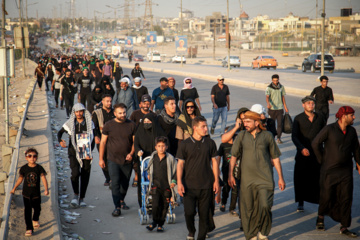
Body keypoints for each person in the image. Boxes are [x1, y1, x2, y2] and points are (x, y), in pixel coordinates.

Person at [228, 110, 286, 240]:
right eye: (244, 122)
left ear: (256, 122)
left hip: (265, 179)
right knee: (248, 209)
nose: (245, 124)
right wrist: (230, 175)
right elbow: (233, 156)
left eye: (248, 122)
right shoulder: (241, 136)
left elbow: (275, 158)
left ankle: (263, 232)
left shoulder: (267, 136)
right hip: (247, 180)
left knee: (265, 205)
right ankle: (251, 235)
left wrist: (281, 177)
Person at [312, 106, 360, 237]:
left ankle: (344, 226)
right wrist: (322, 159)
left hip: (345, 171)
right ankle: (321, 217)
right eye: (352, 115)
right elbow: (315, 143)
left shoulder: (352, 131)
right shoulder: (329, 129)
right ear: (344, 116)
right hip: (329, 171)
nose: (354, 117)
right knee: (326, 196)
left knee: (346, 198)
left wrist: (359, 163)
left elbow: (356, 149)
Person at [176, 116, 220, 240]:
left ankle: (201, 237)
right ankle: (191, 230)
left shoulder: (210, 143)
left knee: (204, 215)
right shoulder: (185, 144)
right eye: (203, 126)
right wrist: (179, 182)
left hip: (206, 185)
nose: (206, 129)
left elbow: (215, 162)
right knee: (189, 213)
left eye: (206, 126)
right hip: (188, 186)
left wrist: (216, 181)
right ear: (195, 128)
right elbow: (180, 164)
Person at [99, 103, 136, 216]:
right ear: (115, 113)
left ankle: (121, 199)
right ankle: (117, 207)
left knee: (124, 184)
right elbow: (103, 142)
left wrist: (131, 153)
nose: (123, 115)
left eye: (124, 112)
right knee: (115, 183)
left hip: (127, 160)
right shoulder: (109, 125)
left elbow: (135, 142)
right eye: (120, 113)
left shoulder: (131, 125)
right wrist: (101, 159)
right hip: (112, 159)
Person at [292, 96, 326, 212]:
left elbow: (325, 134)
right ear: (303, 105)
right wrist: (301, 148)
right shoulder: (298, 119)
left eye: (312, 103)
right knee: (301, 178)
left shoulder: (320, 117)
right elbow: (294, 136)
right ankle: (300, 202)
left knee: (319, 178)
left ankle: (320, 202)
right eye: (308, 103)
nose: (311, 105)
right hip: (303, 153)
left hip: (317, 153)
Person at [58, 103, 95, 208]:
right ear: (74, 112)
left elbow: (92, 140)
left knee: (85, 175)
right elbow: (59, 133)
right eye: (77, 111)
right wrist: (60, 141)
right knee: (75, 173)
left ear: (84, 112)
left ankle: (82, 198)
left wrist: (90, 152)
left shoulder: (89, 124)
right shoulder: (70, 123)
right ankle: (75, 195)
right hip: (73, 152)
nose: (79, 113)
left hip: (86, 154)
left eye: (81, 111)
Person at [10, 148, 49, 237]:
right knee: (27, 211)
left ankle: (35, 219)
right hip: (26, 194)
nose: (32, 158)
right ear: (26, 157)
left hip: (36, 194)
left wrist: (46, 189)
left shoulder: (39, 168)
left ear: (37, 157)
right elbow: (20, 179)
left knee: (37, 209)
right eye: (30, 156)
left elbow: (43, 178)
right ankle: (29, 228)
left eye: (34, 156)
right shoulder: (24, 168)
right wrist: (14, 188)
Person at [145, 136, 177, 232]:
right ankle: (154, 222)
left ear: (166, 147)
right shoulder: (153, 157)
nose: (161, 148)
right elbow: (149, 168)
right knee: (155, 205)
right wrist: (149, 174)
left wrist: (174, 181)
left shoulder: (170, 158)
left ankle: (160, 224)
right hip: (155, 186)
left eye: (163, 146)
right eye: (159, 146)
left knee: (164, 207)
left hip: (166, 187)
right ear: (155, 147)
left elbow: (176, 172)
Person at [135, 113, 166, 205]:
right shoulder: (139, 132)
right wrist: (138, 151)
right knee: (143, 182)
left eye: (149, 121)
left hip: (158, 160)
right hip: (144, 161)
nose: (147, 123)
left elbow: (165, 142)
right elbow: (136, 144)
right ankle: (143, 202)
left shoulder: (158, 132)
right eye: (145, 121)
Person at [92, 94, 115, 186]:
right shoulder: (97, 113)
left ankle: (114, 178)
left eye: (110, 101)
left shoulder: (115, 112)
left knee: (114, 158)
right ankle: (108, 178)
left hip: (114, 140)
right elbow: (94, 127)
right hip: (102, 140)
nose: (109, 103)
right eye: (107, 101)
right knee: (104, 158)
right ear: (102, 102)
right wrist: (95, 136)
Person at [265, 74, 289, 144]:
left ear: (278, 80)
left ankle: (278, 138)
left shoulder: (281, 87)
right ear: (272, 80)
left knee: (279, 124)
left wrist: (285, 107)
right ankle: (272, 138)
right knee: (271, 124)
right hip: (272, 109)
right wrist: (268, 103)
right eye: (274, 80)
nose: (275, 82)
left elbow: (283, 98)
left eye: (277, 80)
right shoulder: (269, 88)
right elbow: (267, 97)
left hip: (280, 109)